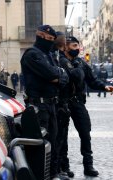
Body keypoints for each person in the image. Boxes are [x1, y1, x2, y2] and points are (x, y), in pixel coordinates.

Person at [59, 36, 113, 177]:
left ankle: (88, 165)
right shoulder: (59, 61)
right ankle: (64, 167)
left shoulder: (81, 63)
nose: (77, 49)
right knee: (62, 135)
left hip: (78, 102)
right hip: (63, 102)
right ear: (65, 47)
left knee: (85, 132)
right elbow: (72, 77)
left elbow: (92, 80)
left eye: (78, 46)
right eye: (73, 46)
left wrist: (104, 86)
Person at [20, 25, 69, 180]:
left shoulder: (48, 55)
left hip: (51, 104)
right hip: (38, 106)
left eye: (52, 40)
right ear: (39, 35)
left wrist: (57, 76)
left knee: (53, 141)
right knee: (42, 142)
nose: (49, 42)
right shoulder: (32, 54)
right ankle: (42, 176)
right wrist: (56, 76)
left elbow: (63, 77)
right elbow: (50, 74)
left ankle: (53, 174)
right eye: (47, 39)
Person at [50, 31, 74, 178]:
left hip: (62, 103)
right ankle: (57, 169)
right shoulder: (55, 56)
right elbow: (64, 77)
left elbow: (64, 77)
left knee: (62, 139)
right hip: (57, 103)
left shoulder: (59, 56)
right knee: (58, 140)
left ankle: (62, 167)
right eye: (65, 41)